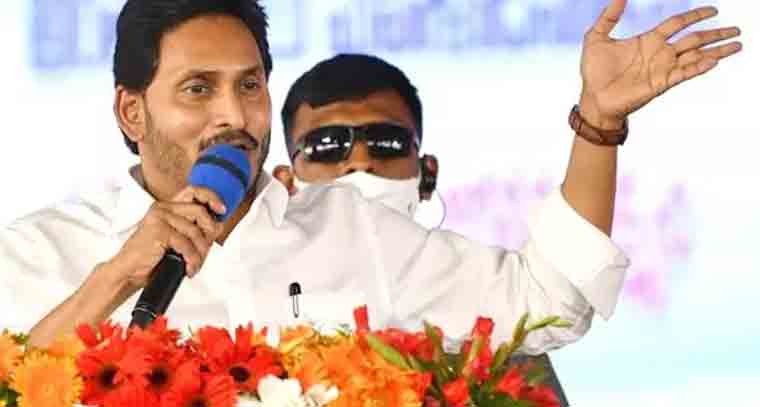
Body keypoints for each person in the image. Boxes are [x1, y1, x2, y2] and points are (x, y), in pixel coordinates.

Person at [0, 0, 741, 355]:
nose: (234, 116)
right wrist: (115, 279)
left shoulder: (352, 230)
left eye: (250, 85)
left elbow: (547, 300)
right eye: (198, 89)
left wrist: (597, 123)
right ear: (131, 110)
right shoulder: (36, 253)